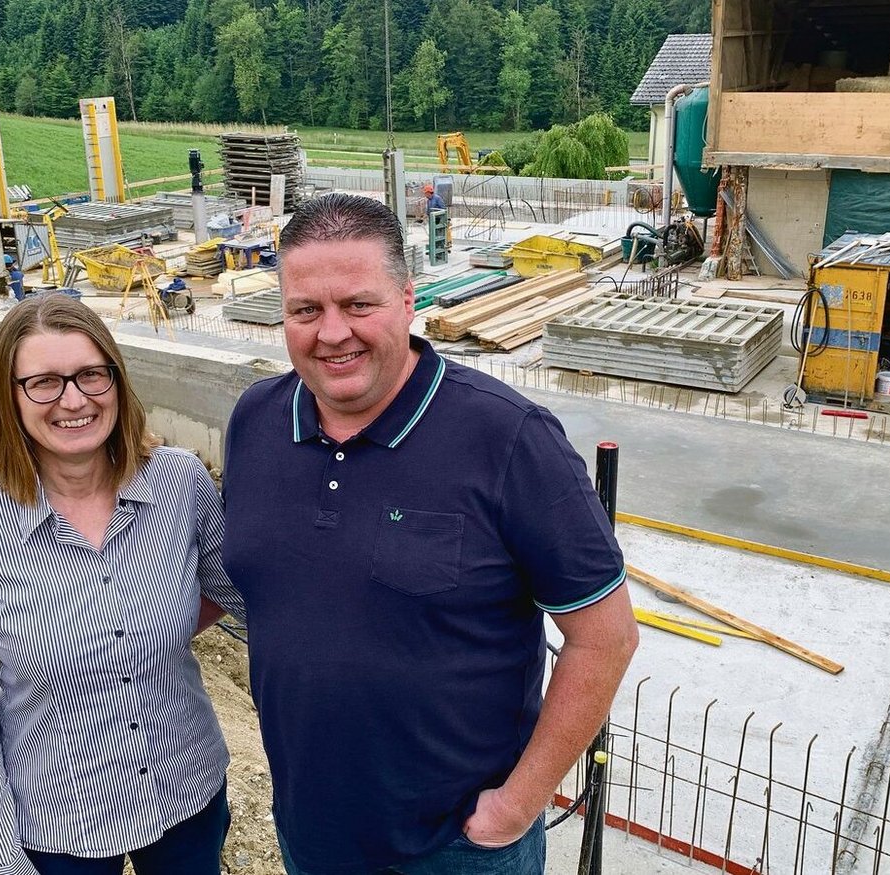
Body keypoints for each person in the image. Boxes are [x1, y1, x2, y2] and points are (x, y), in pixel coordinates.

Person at [222, 193, 638, 875]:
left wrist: (516, 805)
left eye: (359, 305)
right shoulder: (255, 420)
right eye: (306, 310)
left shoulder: (507, 438)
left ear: (409, 299)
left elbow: (606, 635)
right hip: (310, 832)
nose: (332, 333)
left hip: (455, 849)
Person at [0, 293, 244, 875]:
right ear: (9, 396)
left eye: (91, 375)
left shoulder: (180, 484)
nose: (74, 400)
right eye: (44, 382)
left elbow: (237, 593)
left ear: (117, 382)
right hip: (56, 817)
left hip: (186, 788)